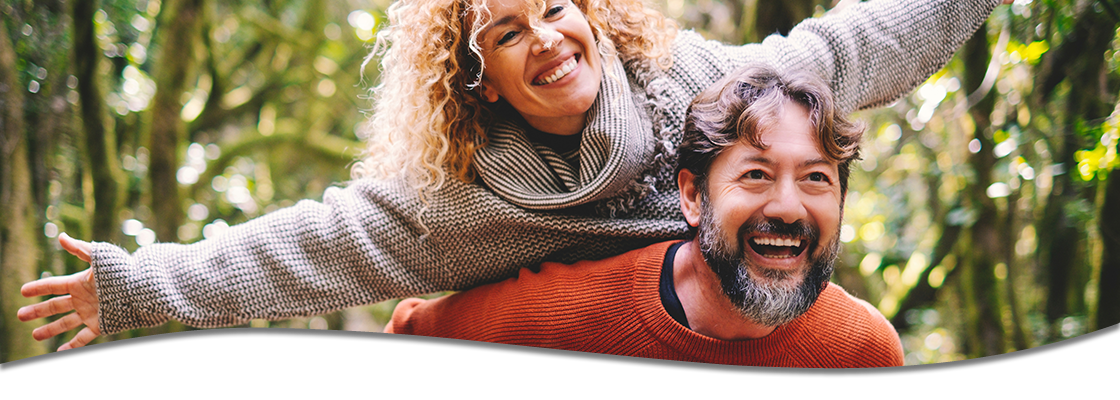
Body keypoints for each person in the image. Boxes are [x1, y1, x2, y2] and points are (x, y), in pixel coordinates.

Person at [18, 0, 1009, 351]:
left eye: (556, 10)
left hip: (700, 324)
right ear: (476, 79)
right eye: (505, 30)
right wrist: (135, 284)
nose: (545, 39)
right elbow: (303, 247)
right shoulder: (456, 200)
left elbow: (845, 49)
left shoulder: (690, 88)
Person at [383, 64, 896, 367]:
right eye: (756, 175)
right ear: (693, 197)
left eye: (816, 179)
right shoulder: (567, 315)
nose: (788, 207)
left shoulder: (864, 350)